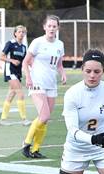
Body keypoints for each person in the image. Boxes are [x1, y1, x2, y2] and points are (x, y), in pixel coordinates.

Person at [21, 15, 67, 158]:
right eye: (49, 26)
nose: (52, 28)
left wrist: (63, 74)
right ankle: (26, 143)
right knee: (44, 115)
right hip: (37, 83)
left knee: (45, 119)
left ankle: (35, 149)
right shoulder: (37, 42)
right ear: (44, 27)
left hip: (51, 84)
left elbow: (59, 64)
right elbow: (25, 61)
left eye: (54, 26)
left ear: (57, 28)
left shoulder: (60, 44)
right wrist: (28, 77)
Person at [0, 25, 31, 126]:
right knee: (20, 93)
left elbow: (26, 61)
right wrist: (12, 60)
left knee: (11, 95)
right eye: (19, 32)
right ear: (15, 33)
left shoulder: (24, 47)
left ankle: (3, 119)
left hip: (17, 73)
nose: (21, 34)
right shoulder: (10, 44)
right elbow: (1, 57)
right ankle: (24, 119)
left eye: (23, 32)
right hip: (10, 71)